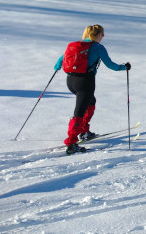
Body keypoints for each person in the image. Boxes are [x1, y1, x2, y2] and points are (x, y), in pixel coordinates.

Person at [54, 25, 131, 155]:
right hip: (85, 82)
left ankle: (84, 132)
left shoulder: (77, 45)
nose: (103, 36)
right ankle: (71, 143)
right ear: (98, 34)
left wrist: (56, 68)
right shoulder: (98, 48)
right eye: (102, 34)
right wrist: (124, 67)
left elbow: (60, 60)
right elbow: (111, 65)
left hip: (71, 81)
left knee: (91, 102)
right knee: (79, 111)